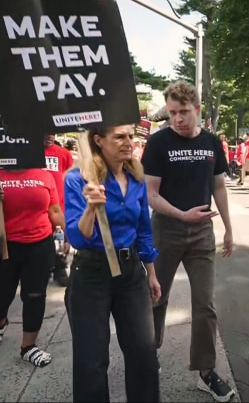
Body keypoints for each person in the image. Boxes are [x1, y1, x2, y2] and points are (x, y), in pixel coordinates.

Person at [142, 81, 236, 402]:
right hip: (166, 230)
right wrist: (182, 215)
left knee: (205, 304)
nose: (177, 119)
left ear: (197, 109)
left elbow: (218, 186)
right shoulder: (157, 143)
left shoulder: (212, 142)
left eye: (183, 112)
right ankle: (149, 354)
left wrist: (228, 227)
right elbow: (150, 193)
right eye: (172, 113)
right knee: (157, 296)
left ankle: (206, 372)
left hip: (202, 234)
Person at [64, 124, 162, 402]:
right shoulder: (77, 179)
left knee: (144, 354)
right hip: (91, 275)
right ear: (98, 140)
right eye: (119, 137)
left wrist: (151, 273)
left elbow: (144, 229)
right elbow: (77, 237)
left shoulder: (136, 177)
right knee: (91, 362)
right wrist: (91, 208)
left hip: (131, 274)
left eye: (130, 136)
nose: (128, 142)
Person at [0, 167, 64, 367]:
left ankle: (29, 347)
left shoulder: (44, 175)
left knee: (35, 295)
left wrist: (67, 235)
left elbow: (54, 210)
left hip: (40, 243)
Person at [45, 134, 75, 286]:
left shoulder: (64, 154)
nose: (49, 136)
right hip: (40, 208)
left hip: (59, 206)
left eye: (52, 132)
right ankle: (45, 269)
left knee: (59, 239)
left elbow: (70, 177)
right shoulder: (28, 153)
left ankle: (60, 267)